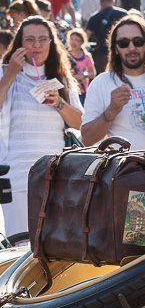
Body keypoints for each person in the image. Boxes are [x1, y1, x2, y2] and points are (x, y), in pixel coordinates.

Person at [0, 16, 84, 236]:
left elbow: (79, 123)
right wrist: (10, 74)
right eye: (29, 39)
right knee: (20, 243)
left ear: (51, 43)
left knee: (53, 243)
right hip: (18, 174)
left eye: (42, 39)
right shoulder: (5, 73)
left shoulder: (61, 78)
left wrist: (60, 103)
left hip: (55, 174)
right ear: (19, 44)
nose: (36, 45)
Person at [81, 16, 145, 150]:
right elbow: (87, 139)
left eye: (138, 41)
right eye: (123, 43)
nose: (131, 48)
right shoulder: (101, 83)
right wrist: (110, 111)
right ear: (115, 49)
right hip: (123, 163)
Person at [84, 0, 128, 73]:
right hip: (121, 53)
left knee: (103, 78)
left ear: (100, 3)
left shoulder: (94, 17)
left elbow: (85, 36)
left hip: (102, 54)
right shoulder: (124, 15)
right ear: (113, 2)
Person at [67, 28, 95, 106]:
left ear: (82, 42)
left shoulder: (86, 56)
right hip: (71, 90)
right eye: (71, 40)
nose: (73, 42)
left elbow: (93, 73)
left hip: (83, 90)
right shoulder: (66, 56)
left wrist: (82, 76)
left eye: (77, 40)